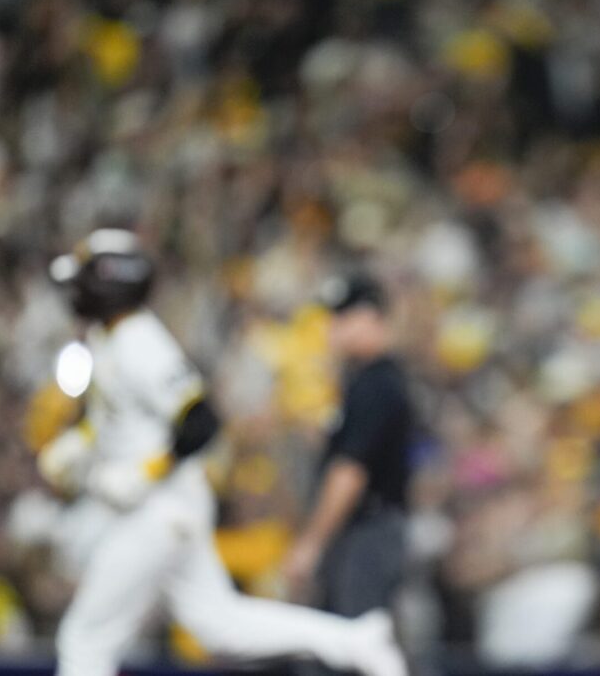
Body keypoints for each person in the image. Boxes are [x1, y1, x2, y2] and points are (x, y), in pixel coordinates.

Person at [38, 229, 407, 676]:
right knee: (218, 623)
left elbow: (201, 421)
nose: (74, 292)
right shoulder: (109, 339)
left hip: (158, 509)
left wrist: (146, 471)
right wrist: (79, 444)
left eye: (81, 280)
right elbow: (117, 418)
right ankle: (352, 640)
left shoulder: (138, 339)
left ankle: (354, 640)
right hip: (169, 510)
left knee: (85, 638)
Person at [285, 273, 412, 649]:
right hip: (366, 530)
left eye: (341, 318)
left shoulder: (377, 384)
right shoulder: (366, 380)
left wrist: (311, 543)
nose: (331, 328)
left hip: (367, 533)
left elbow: (350, 472)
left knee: (356, 645)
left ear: (371, 317)